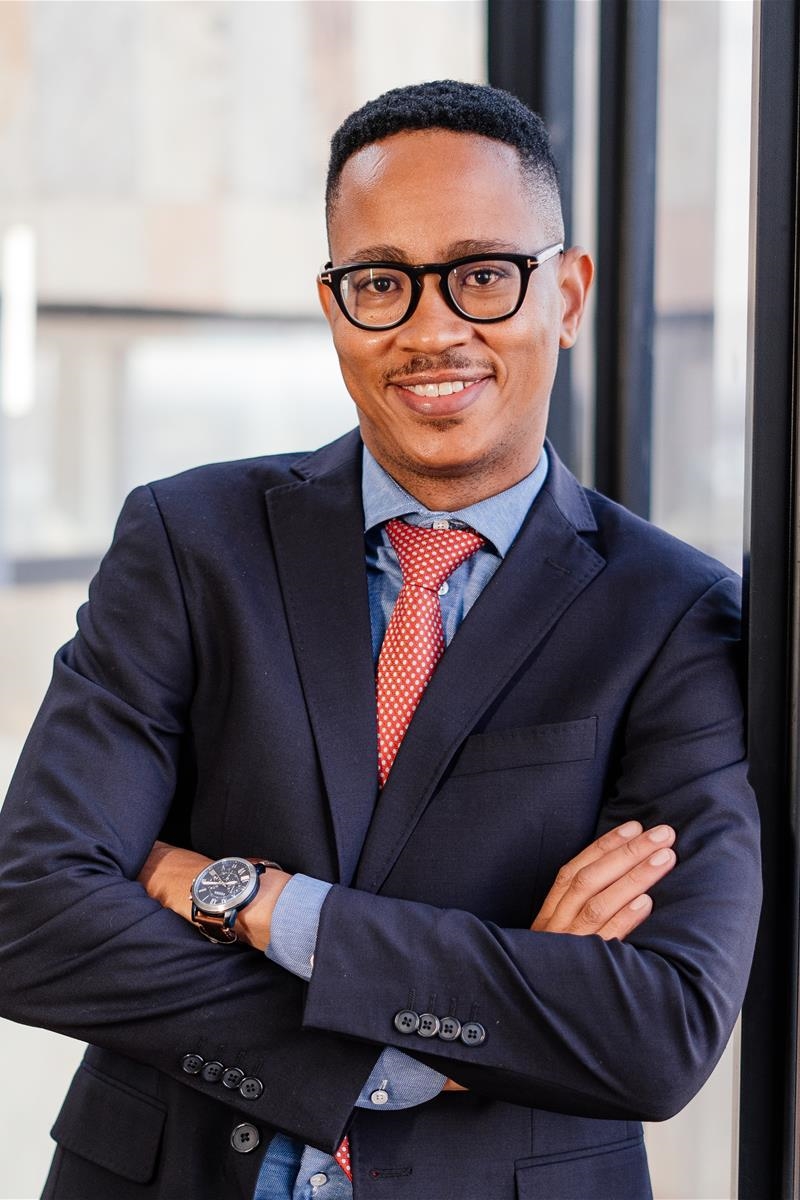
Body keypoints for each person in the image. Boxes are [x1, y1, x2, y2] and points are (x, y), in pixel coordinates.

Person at [0, 80, 760, 1200]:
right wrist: (408, 1047)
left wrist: (252, 899)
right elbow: (32, 916)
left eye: (483, 274)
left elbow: (658, 1028)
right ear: (333, 305)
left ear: (567, 293)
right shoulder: (189, 541)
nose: (431, 329)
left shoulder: (676, 615)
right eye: (380, 282)